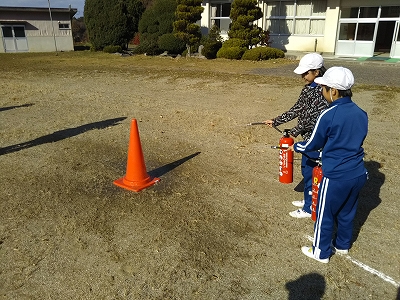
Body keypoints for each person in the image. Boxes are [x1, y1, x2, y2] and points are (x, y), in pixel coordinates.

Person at [289, 66, 368, 263]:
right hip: (358, 173)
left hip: (335, 175)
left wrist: (297, 146)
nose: (322, 92)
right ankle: (342, 245)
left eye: (324, 88)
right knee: (347, 212)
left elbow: (313, 143)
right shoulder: (361, 113)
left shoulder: (329, 114)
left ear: (333, 91)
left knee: (325, 214)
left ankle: (320, 252)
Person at [264, 53, 329, 218]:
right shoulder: (308, 88)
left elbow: (311, 119)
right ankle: (309, 198)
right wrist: (276, 121)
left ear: (317, 71)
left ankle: (309, 208)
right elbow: (297, 109)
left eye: (306, 73)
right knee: (307, 170)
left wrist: (294, 132)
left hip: (317, 140)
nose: (302, 77)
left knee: (311, 172)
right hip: (307, 138)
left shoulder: (324, 91)